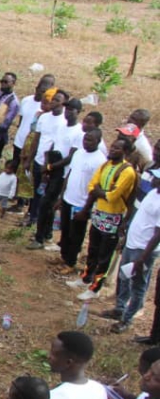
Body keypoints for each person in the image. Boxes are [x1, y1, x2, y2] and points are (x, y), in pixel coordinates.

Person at [69, 134, 137, 300]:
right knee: (93, 249)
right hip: (99, 213)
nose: (112, 150)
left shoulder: (127, 172)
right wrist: (101, 192)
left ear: (125, 152)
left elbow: (113, 196)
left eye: (117, 148)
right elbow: (92, 186)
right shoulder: (106, 165)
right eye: (112, 146)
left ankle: (95, 288)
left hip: (113, 218)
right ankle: (86, 278)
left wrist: (100, 191)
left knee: (105, 255)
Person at [102, 167, 160, 333]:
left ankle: (127, 319)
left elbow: (158, 234)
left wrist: (143, 258)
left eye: (157, 178)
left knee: (138, 285)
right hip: (132, 243)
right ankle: (119, 308)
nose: (153, 179)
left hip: (143, 250)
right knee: (124, 277)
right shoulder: (152, 193)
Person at [29, 96, 82, 248]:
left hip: (62, 173)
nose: (68, 112)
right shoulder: (62, 126)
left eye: (72, 109)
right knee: (47, 202)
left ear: (78, 112)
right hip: (52, 168)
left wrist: (50, 167)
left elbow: (70, 157)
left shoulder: (78, 132)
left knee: (47, 203)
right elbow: (53, 146)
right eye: (67, 108)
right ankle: (46, 233)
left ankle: (40, 238)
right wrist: (46, 164)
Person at [56, 127, 106, 272]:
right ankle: (64, 256)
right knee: (65, 230)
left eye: (90, 140)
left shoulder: (100, 160)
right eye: (85, 139)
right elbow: (70, 174)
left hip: (81, 204)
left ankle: (70, 262)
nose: (86, 142)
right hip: (68, 199)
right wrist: (61, 196)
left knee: (76, 235)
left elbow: (96, 187)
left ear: (98, 141)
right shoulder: (78, 153)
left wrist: (86, 209)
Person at [27, 89, 67, 225]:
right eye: (53, 98)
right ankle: (32, 216)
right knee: (36, 190)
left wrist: (48, 164)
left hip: (50, 164)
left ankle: (40, 220)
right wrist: (29, 159)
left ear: (63, 104)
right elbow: (36, 139)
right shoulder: (43, 117)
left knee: (46, 195)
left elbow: (56, 145)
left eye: (57, 100)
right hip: (38, 160)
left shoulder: (64, 122)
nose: (53, 101)